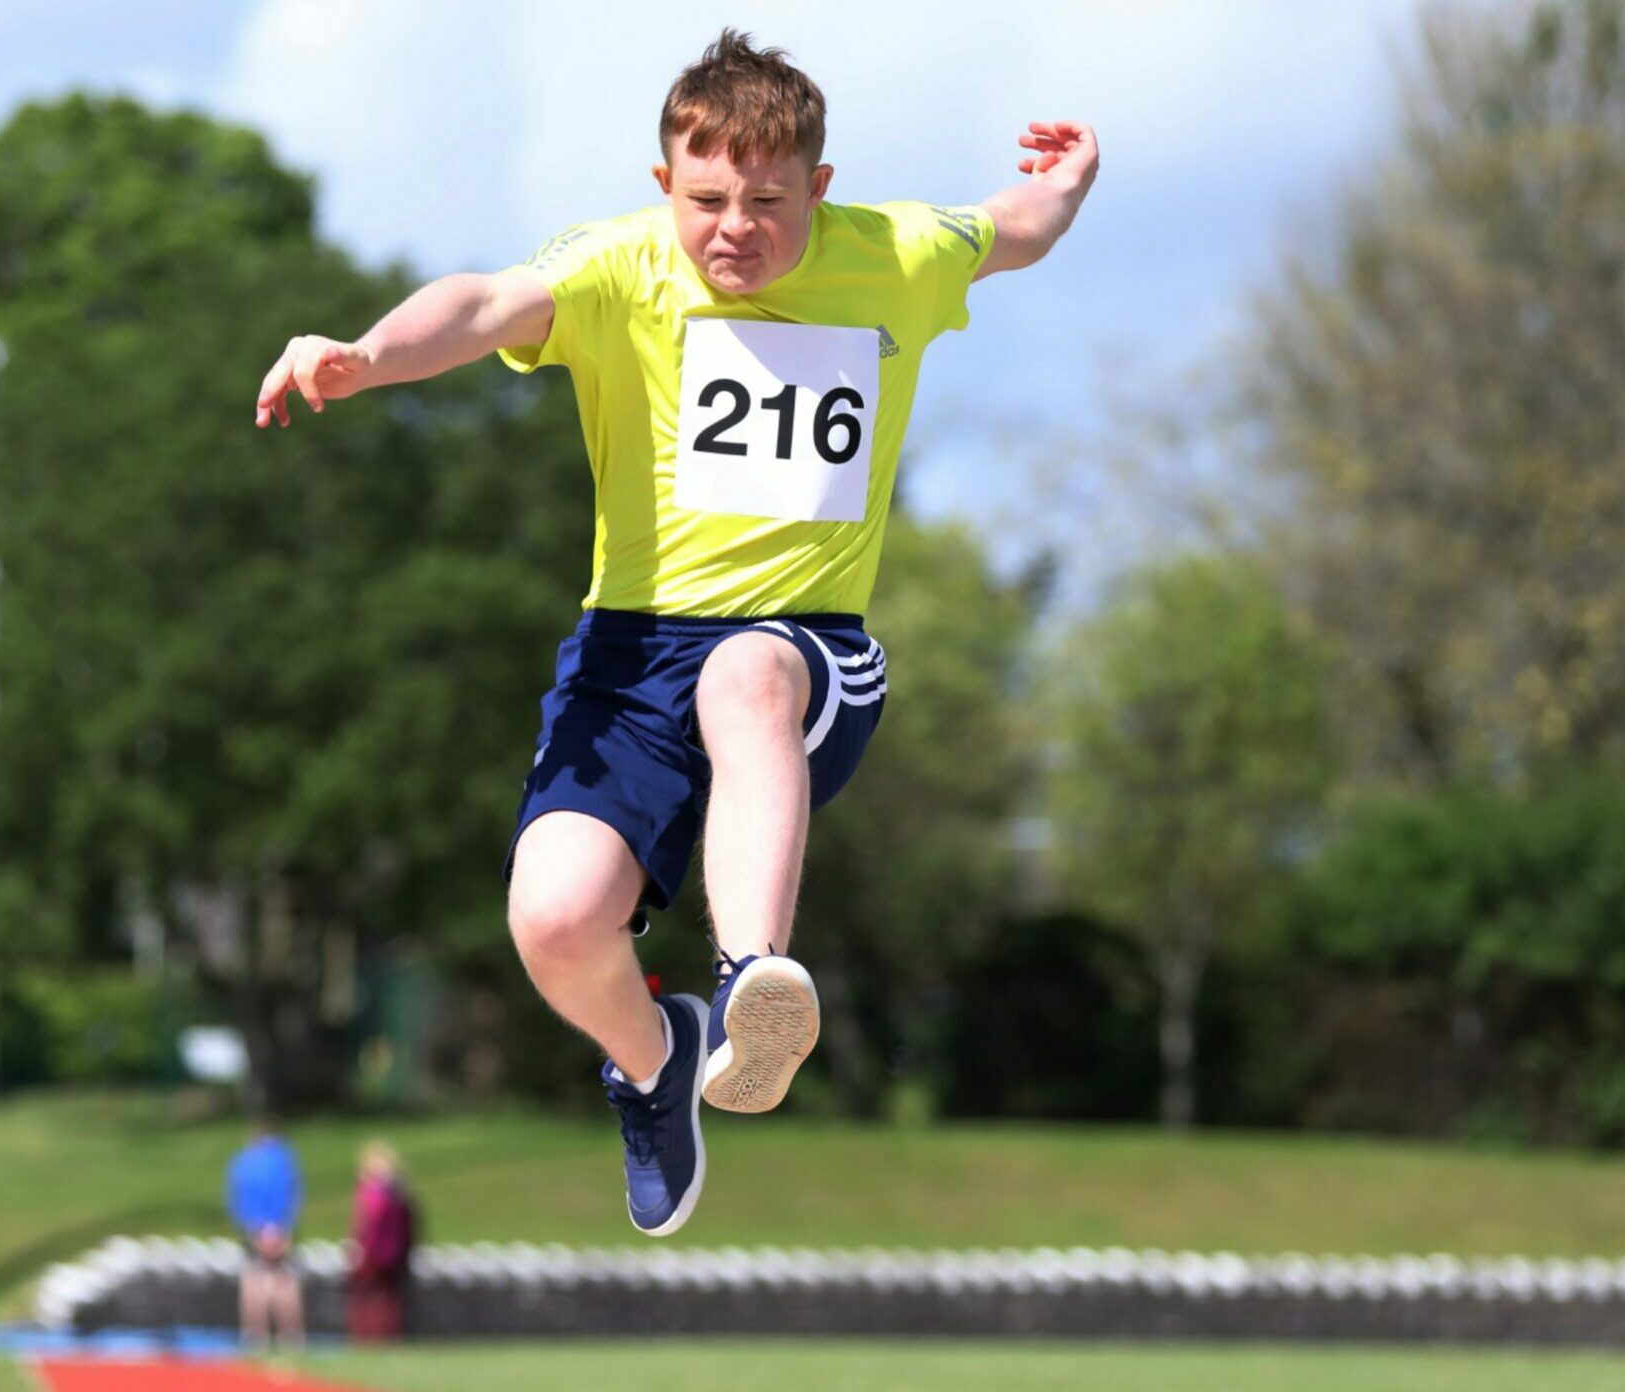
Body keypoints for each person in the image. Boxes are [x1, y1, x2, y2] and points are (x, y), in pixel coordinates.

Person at [252, 30, 1096, 1237]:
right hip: (630, 657)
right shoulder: (622, 267)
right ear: (665, 189)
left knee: (747, 674)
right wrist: (365, 357)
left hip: (807, 650)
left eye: (766, 201)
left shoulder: (895, 256)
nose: (733, 229)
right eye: (706, 201)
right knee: (552, 920)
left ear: (820, 187)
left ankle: (753, 977)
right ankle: (654, 1064)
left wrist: (1066, 181)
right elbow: (486, 304)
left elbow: (1010, 226)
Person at [224, 1118, 304, 1349]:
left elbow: (236, 1198)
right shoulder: (284, 1160)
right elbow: (293, 1195)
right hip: (280, 1227)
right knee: (284, 1282)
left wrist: (254, 1228)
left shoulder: (242, 1161)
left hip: (254, 1228)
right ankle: (290, 1335)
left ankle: (255, 1334)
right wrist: (282, 1228)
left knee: (255, 1282)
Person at [346, 1142, 417, 1343]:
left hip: (373, 1253)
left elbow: (364, 1223)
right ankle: (388, 1337)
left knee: (365, 1297)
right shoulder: (400, 1193)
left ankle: (368, 1338)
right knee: (389, 1298)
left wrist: (357, 1249)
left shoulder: (372, 1193)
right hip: (395, 1254)